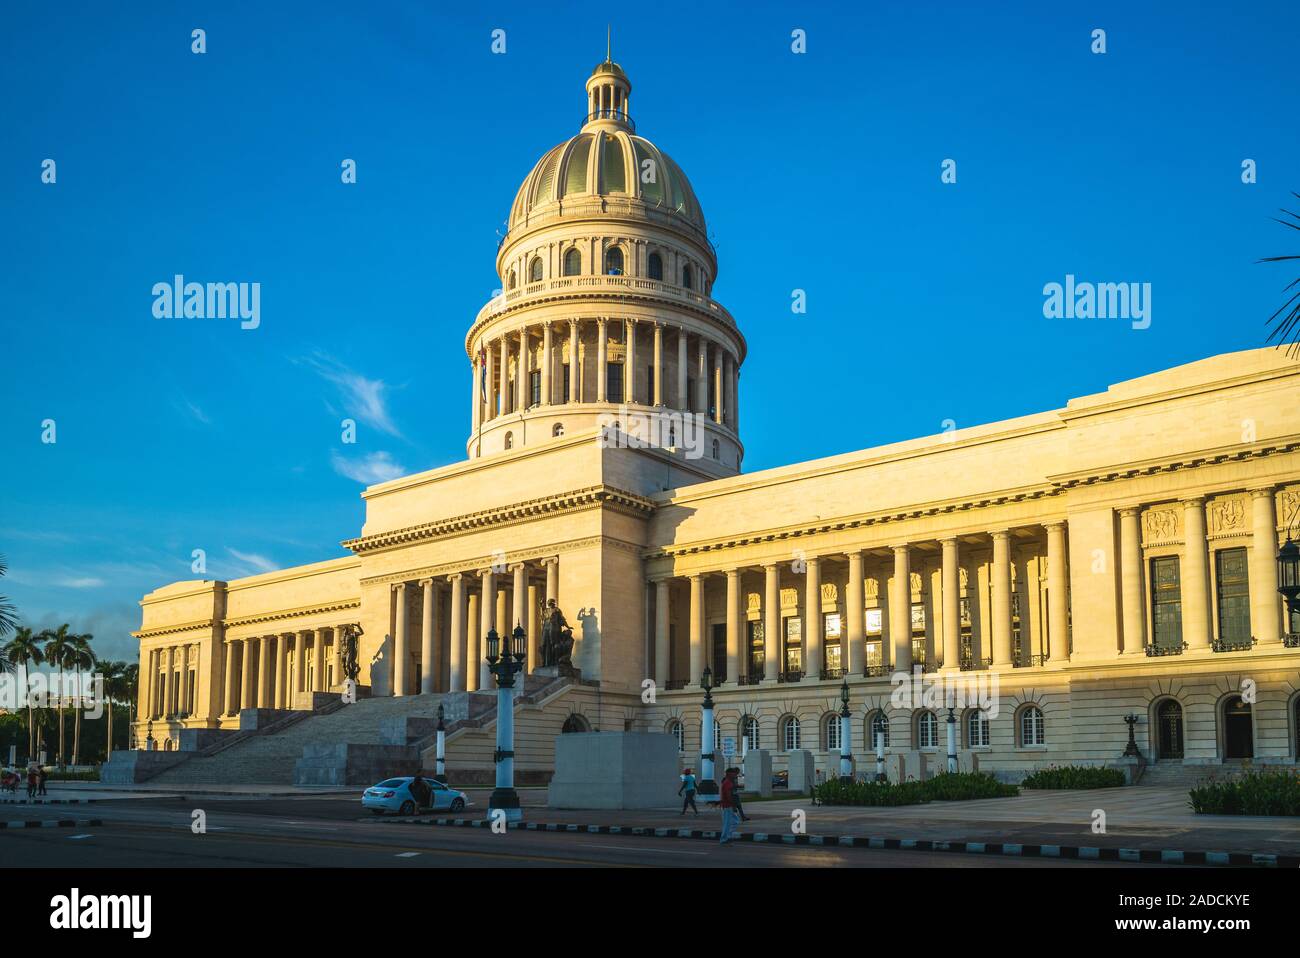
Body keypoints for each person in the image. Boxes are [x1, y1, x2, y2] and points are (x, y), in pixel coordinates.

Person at [718, 767, 741, 845]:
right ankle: (724, 839)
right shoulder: (727, 782)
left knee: (735, 821)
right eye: (733, 773)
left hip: (728, 805)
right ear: (729, 774)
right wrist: (733, 805)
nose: (735, 774)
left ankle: (728, 836)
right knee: (727, 823)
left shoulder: (729, 782)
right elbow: (728, 795)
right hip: (727, 806)